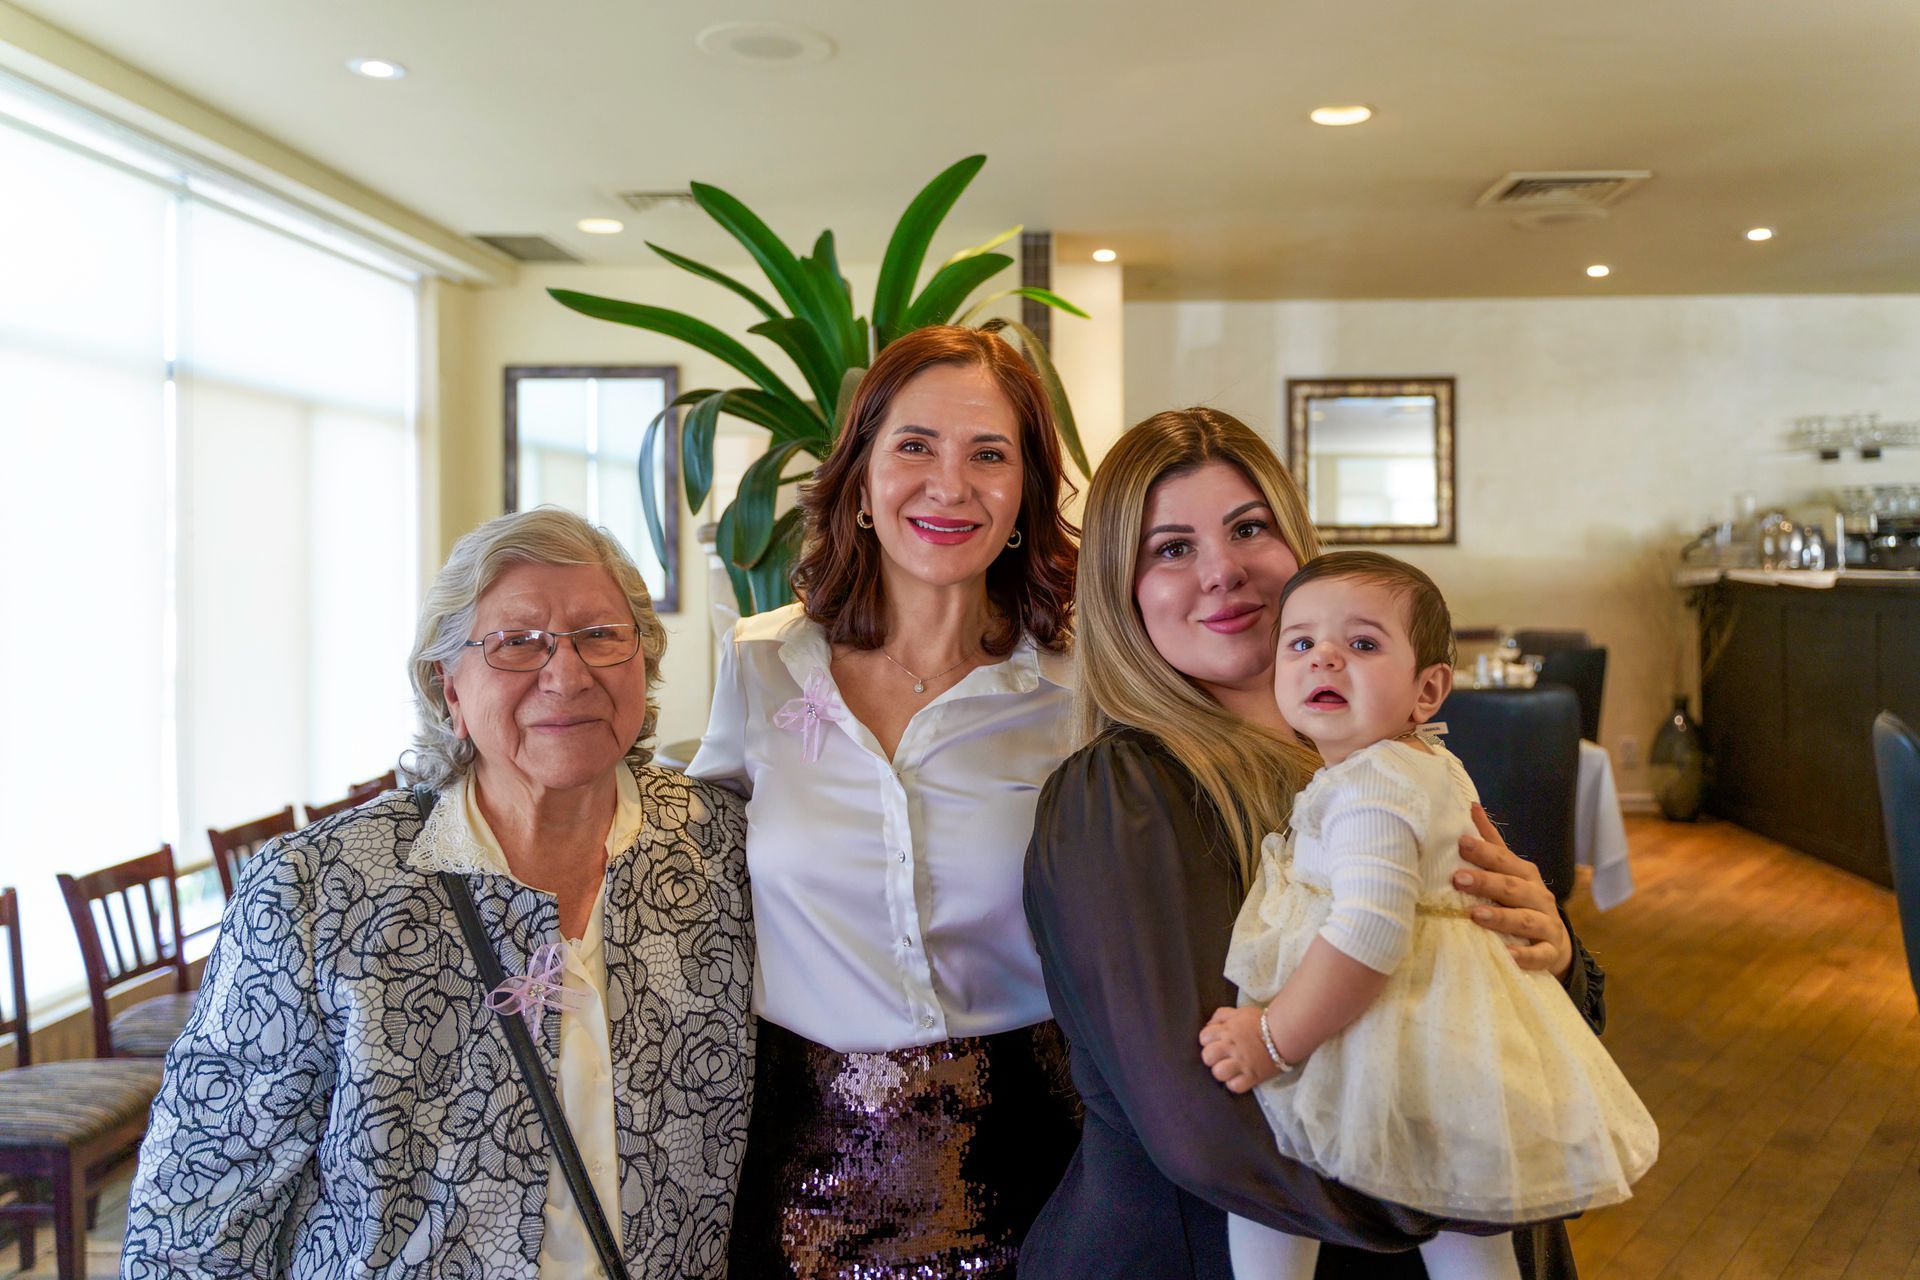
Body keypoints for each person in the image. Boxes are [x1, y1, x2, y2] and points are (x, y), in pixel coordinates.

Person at [1021, 408, 1609, 1280]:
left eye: (1249, 528)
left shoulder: (1394, 765)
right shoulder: (1124, 797)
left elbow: (1528, 1031)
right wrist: (1483, 1180)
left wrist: (1551, 955)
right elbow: (1211, 1127)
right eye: (1171, 549)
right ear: (1121, 590)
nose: (1223, 571)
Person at [121, 508, 754, 1280]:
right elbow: (199, 1202)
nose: (566, 673)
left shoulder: (726, 851)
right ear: (447, 686)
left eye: (600, 635)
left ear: (642, 663)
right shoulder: (319, 891)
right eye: (517, 643)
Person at [688, 324, 1081, 1279]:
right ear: (860, 477)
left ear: (1026, 490)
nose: (951, 485)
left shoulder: (1082, 688)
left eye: (990, 454)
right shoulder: (759, 662)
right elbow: (678, 855)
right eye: (915, 446)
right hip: (809, 1168)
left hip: (1039, 1158)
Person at [1202, 551, 1658, 1279]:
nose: (1324, 658)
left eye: (1361, 644)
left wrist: (1272, 1038)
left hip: (1380, 1030)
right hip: (1453, 1043)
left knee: (1270, 1191)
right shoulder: (1415, 764)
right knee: (1469, 1237)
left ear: (1427, 690)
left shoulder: (1374, 787)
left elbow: (1370, 931)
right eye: (1301, 642)